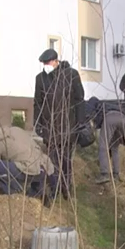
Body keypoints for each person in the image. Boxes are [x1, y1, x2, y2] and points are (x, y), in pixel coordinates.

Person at [33, 48, 86, 199]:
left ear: (56, 61)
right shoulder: (41, 79)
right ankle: (54, 189)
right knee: (51, 161)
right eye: (43, 63)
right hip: (50, 128)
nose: (45, 65)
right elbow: (37, 103)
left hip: (69, 127)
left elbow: (79, 100)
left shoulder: (71, 75)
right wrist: (38, 124)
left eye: (48, 62)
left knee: (66, 161)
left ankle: (67, 189)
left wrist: (80, 123)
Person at [0, 121, 54, 199]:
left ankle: (16, 192)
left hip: (28, 170)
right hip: (43, 167)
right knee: (31, 195)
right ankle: (39, 195)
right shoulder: (16, 129)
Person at [87, 97, 125, 184]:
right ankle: (116, 174)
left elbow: (93, 119)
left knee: (103, 145)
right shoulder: (105, 105)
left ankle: (104, 174)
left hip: (110, 118)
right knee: (114, 147)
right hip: (124, 119)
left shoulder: (94, 105)